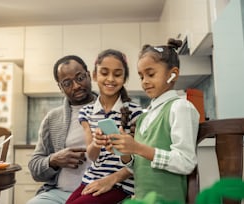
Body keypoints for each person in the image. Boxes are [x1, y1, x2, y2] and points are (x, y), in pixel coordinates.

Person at [109, 39, 200, 203]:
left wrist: (138, 147)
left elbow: (186, 162)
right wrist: (125, 153)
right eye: (141, 76)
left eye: (150, 74)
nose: (144, 81)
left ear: (173, 74)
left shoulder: (180, 107)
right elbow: (137, 167)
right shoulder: (144, 117)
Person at [66, 49, 143, 204]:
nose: (110, 79)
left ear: (124, 78)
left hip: (122, 184)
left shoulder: (136, 113)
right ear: (94, 75)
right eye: (104, 72)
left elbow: (140, 159)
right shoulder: (86, 113)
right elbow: (92, 156)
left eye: (117, 74)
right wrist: (96, 143)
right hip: (90, 179)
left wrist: (111, 179)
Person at [27, 55, 96, 204]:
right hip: (60, 194)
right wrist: (53, 160)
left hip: (99, 192)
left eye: (80, 78)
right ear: (60, 87)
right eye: (67, 83)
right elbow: (34, 168)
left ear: (89, 75)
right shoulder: (52, 118)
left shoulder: (110, 110)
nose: (76, 86)